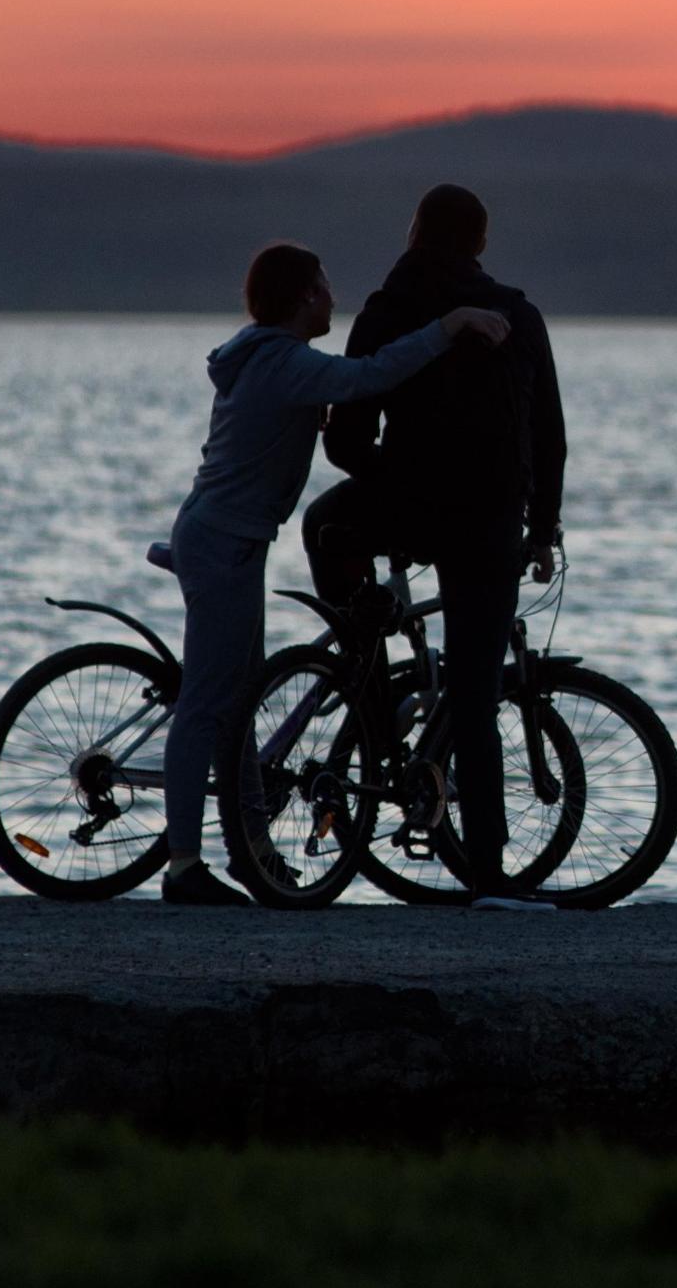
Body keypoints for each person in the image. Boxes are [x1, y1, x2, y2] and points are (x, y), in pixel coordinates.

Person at [158, 241, 510, 907]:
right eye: (324, 286)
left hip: (225, 537)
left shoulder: (259, 354)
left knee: (236, 708)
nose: (333, 296)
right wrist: (450, 325)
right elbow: (372, 375)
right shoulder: (287, 363)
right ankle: (181, 866)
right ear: (301, 298)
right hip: (223, 544)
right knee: (207, 708)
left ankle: (252, 855)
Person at [302, 183, 565, 895]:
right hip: (489, 520)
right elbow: (549, 436)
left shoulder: (387, 311)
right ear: (480, 242)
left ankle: (365, 674)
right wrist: (542, 528)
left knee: (322, 525)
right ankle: (488, 874)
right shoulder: (518, 313)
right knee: (476, 698)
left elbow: (350, 439)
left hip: (406, 507)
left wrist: (393, 476)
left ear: (414, 234)